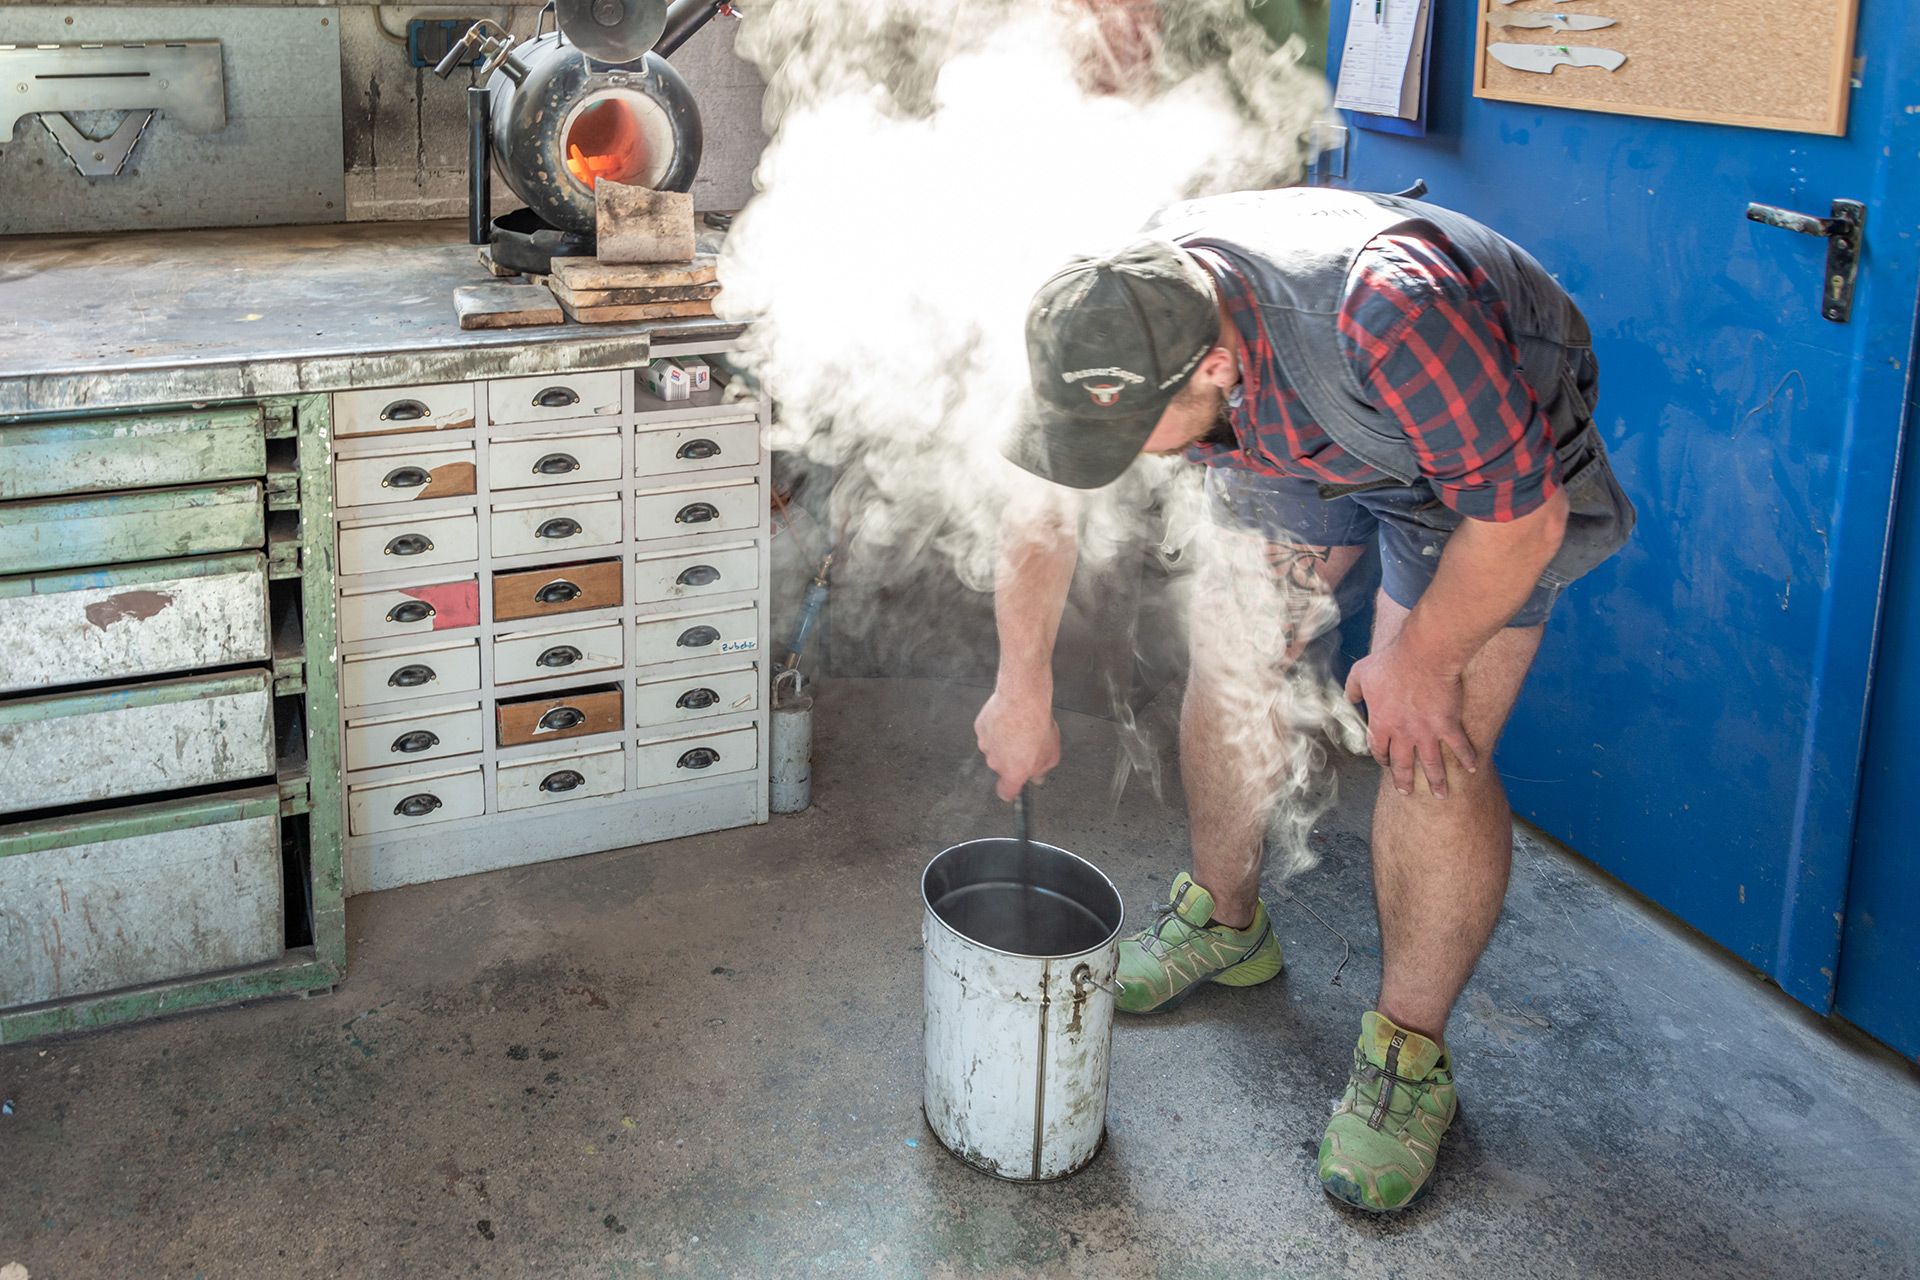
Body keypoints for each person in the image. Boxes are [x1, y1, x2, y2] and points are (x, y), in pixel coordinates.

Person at [974, 186, 1635, 1212]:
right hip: (1293, 426)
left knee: (1424, 736)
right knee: (1235, 662)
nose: (1130, 464)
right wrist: (1022, 680)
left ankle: (1407, 1051)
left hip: (1476, 469)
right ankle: (1225, 919)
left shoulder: (1397, 309)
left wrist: (1418, 658)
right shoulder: (1115, 307)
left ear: (1212, 367)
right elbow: (1040, 496)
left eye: (1141, 431)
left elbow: (1522, 523)